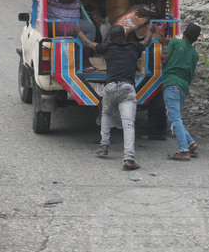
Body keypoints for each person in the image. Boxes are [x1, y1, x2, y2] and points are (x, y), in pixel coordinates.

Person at [80, 24, 161, 171]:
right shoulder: (134, 47)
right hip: (127, 88)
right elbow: (147, 42)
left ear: (110, 39)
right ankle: (129, 160)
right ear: (124, 37)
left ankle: (104, 145)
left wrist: (79, 31)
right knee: (128, 124)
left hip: (110, 88)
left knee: (106, 113)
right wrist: (149, 31)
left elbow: (88, 43)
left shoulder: (107, 48)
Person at [160, 22, 201, 161]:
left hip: (171, 84)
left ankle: (183, 151)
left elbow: (164, 60)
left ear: (183, 32)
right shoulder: (195, 55)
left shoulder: (175, 42)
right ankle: (190, 143)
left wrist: (164, 48)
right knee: (171, 118)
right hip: (183, 87)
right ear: (195, 39)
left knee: (175, 117)